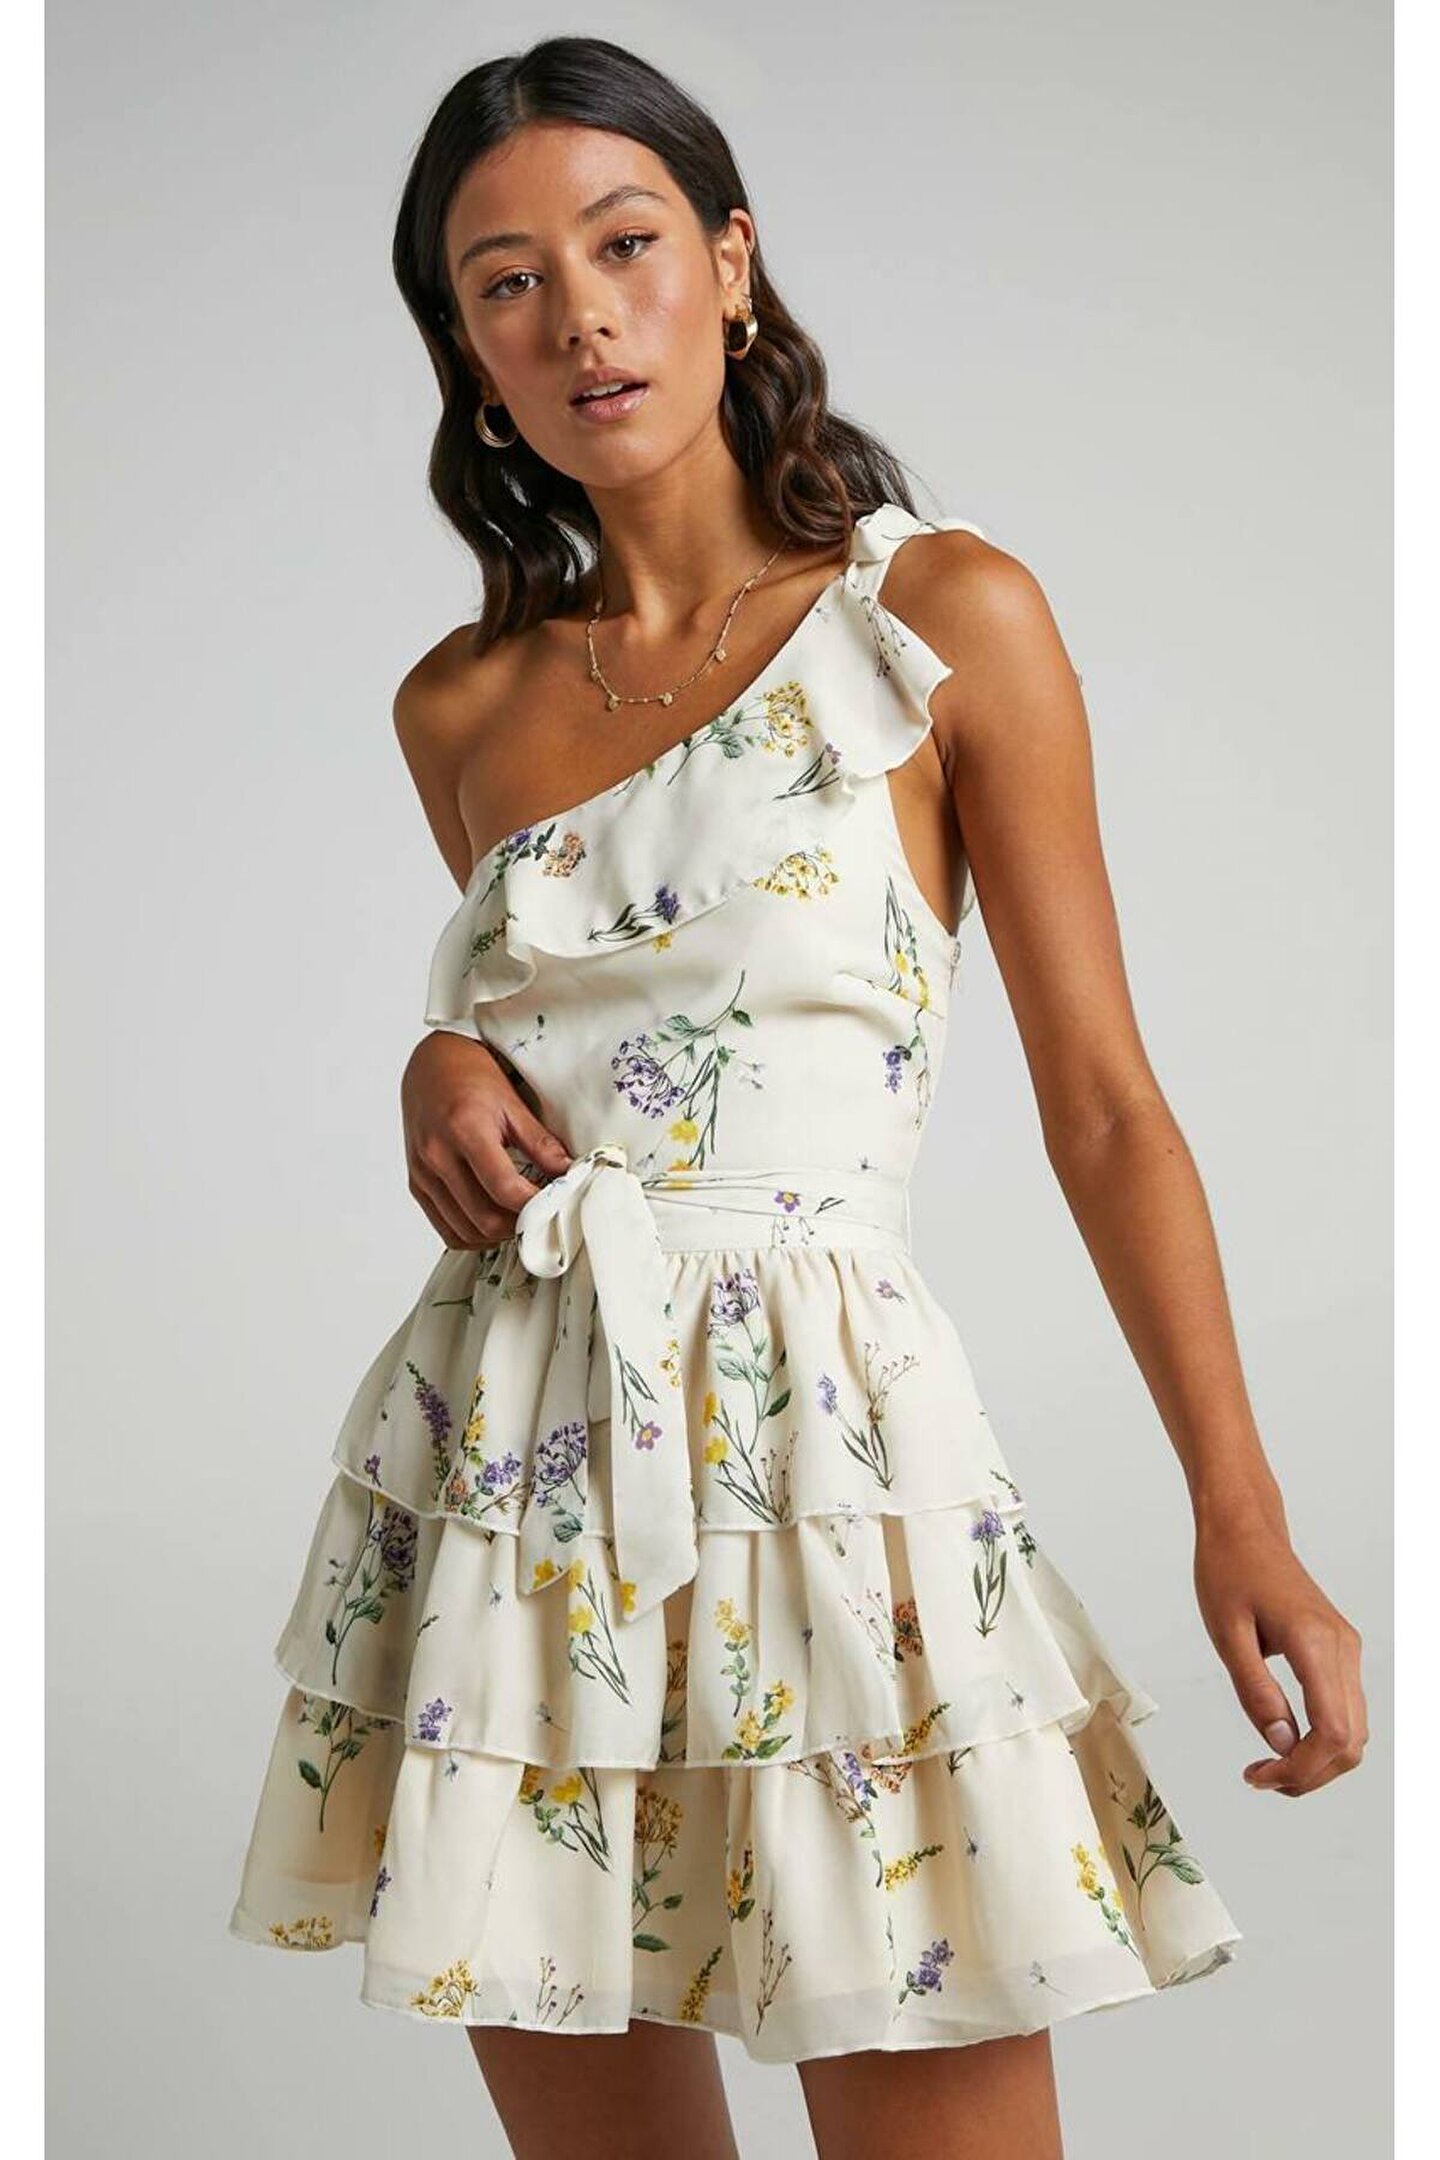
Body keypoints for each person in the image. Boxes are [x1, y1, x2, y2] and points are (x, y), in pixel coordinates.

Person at [228, 36, 1367, 2160]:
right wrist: (437, 1053)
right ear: (468, 356)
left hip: (834, 1464)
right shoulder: (461, 707)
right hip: (518, 1475)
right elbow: (581, 1027)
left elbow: (1105, 1105)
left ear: (732, 266)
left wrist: (1241, 1511)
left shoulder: (938, 619)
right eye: (505, 283)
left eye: (626, 246)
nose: (580, 317)